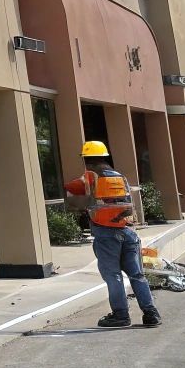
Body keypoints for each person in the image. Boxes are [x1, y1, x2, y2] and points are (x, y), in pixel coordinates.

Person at [64, 140, 162, 328]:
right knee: (137, 275)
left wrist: (74, 201)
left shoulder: (91, 177)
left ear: (87, 160)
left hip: (106, 234)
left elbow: (75, 195)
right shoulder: (119, 177)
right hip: (127, 232)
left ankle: (120, 315)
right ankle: (151, 314)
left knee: (113, 276)